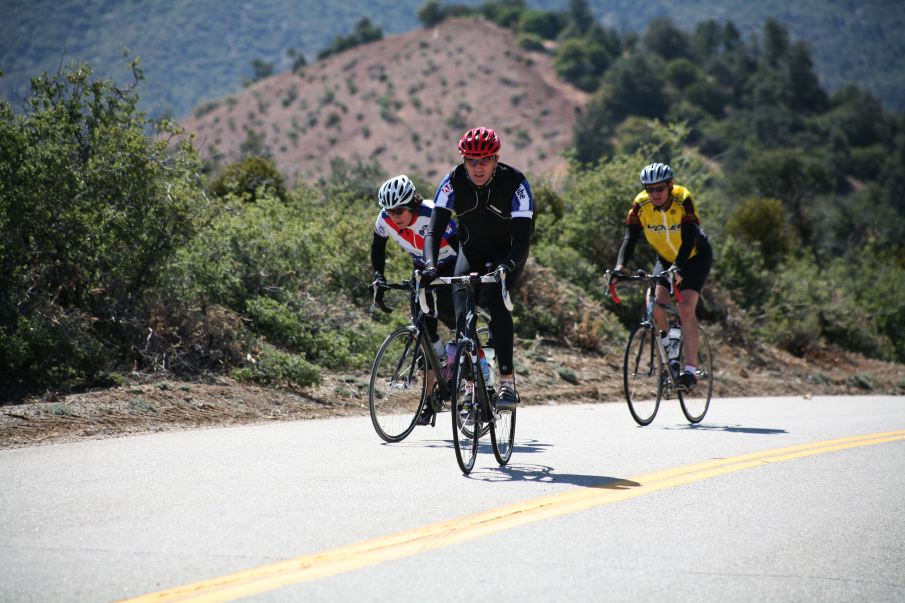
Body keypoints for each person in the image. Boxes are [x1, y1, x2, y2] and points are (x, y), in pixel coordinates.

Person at [422, 127, 534, 411]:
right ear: (463, 160)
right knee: (462, 314)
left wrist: (506, 268)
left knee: (497, 302)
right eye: (471, 161)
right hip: (470, 250)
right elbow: (433, 232)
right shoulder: (452, 181)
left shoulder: (516, 183)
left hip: (506, 253)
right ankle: (471, 388)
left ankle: (507, 381)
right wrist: (431, 265)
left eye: (484, 160)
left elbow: (522, 240)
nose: (478, 167)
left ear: (496, 159)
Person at [611, 162, 713, 391]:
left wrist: (678, 268)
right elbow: (630, 239)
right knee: (653, 305)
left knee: (686, 308)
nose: (655, 194)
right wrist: (619, 268)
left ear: (669, 186)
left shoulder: (682, 198)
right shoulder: (641, 204)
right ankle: (669, 350)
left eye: (659, 189)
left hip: (695, 256)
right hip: (666, 258)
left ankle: (690, 370)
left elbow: (688, 239)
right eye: (650, 189)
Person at [371, 174, 458, 424]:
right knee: (424, 336)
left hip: (451, 267)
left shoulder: (432, 213)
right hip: (422, 270)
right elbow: (377, 247)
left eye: (399, 210)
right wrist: (379, 278)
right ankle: (431, 399)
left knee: (454, 321)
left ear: (413, 205)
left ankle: (465, 368)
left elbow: (461, 245)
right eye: (389, 210)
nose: (394, 216)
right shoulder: (385, 219)